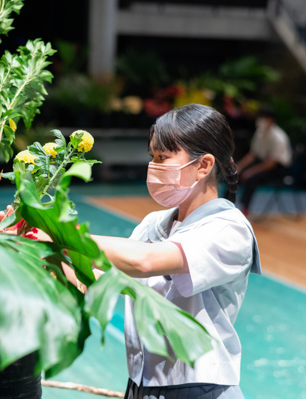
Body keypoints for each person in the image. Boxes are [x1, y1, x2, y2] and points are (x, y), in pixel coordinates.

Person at [87, 104, 262, 398]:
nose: (154, 166)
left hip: (199, 389)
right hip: (142, 384)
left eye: (163, 158)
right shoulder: (155, 223)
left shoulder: (229, 229)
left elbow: (145, 261)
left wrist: (60, 234)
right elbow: (111, 276)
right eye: (152, 157)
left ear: (203, 166)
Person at [235, 107, 292, 216]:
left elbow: (271, 163)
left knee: (251, 178)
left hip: (277, 168)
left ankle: (245, 209)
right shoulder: (260, 132)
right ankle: (225, 203)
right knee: (234, 174)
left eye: (264, 118)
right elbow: (252, 154)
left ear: (271, 120)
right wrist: (239, 167)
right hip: (262, 162)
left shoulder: (279, 137)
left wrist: (251, 172)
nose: (260, 120)